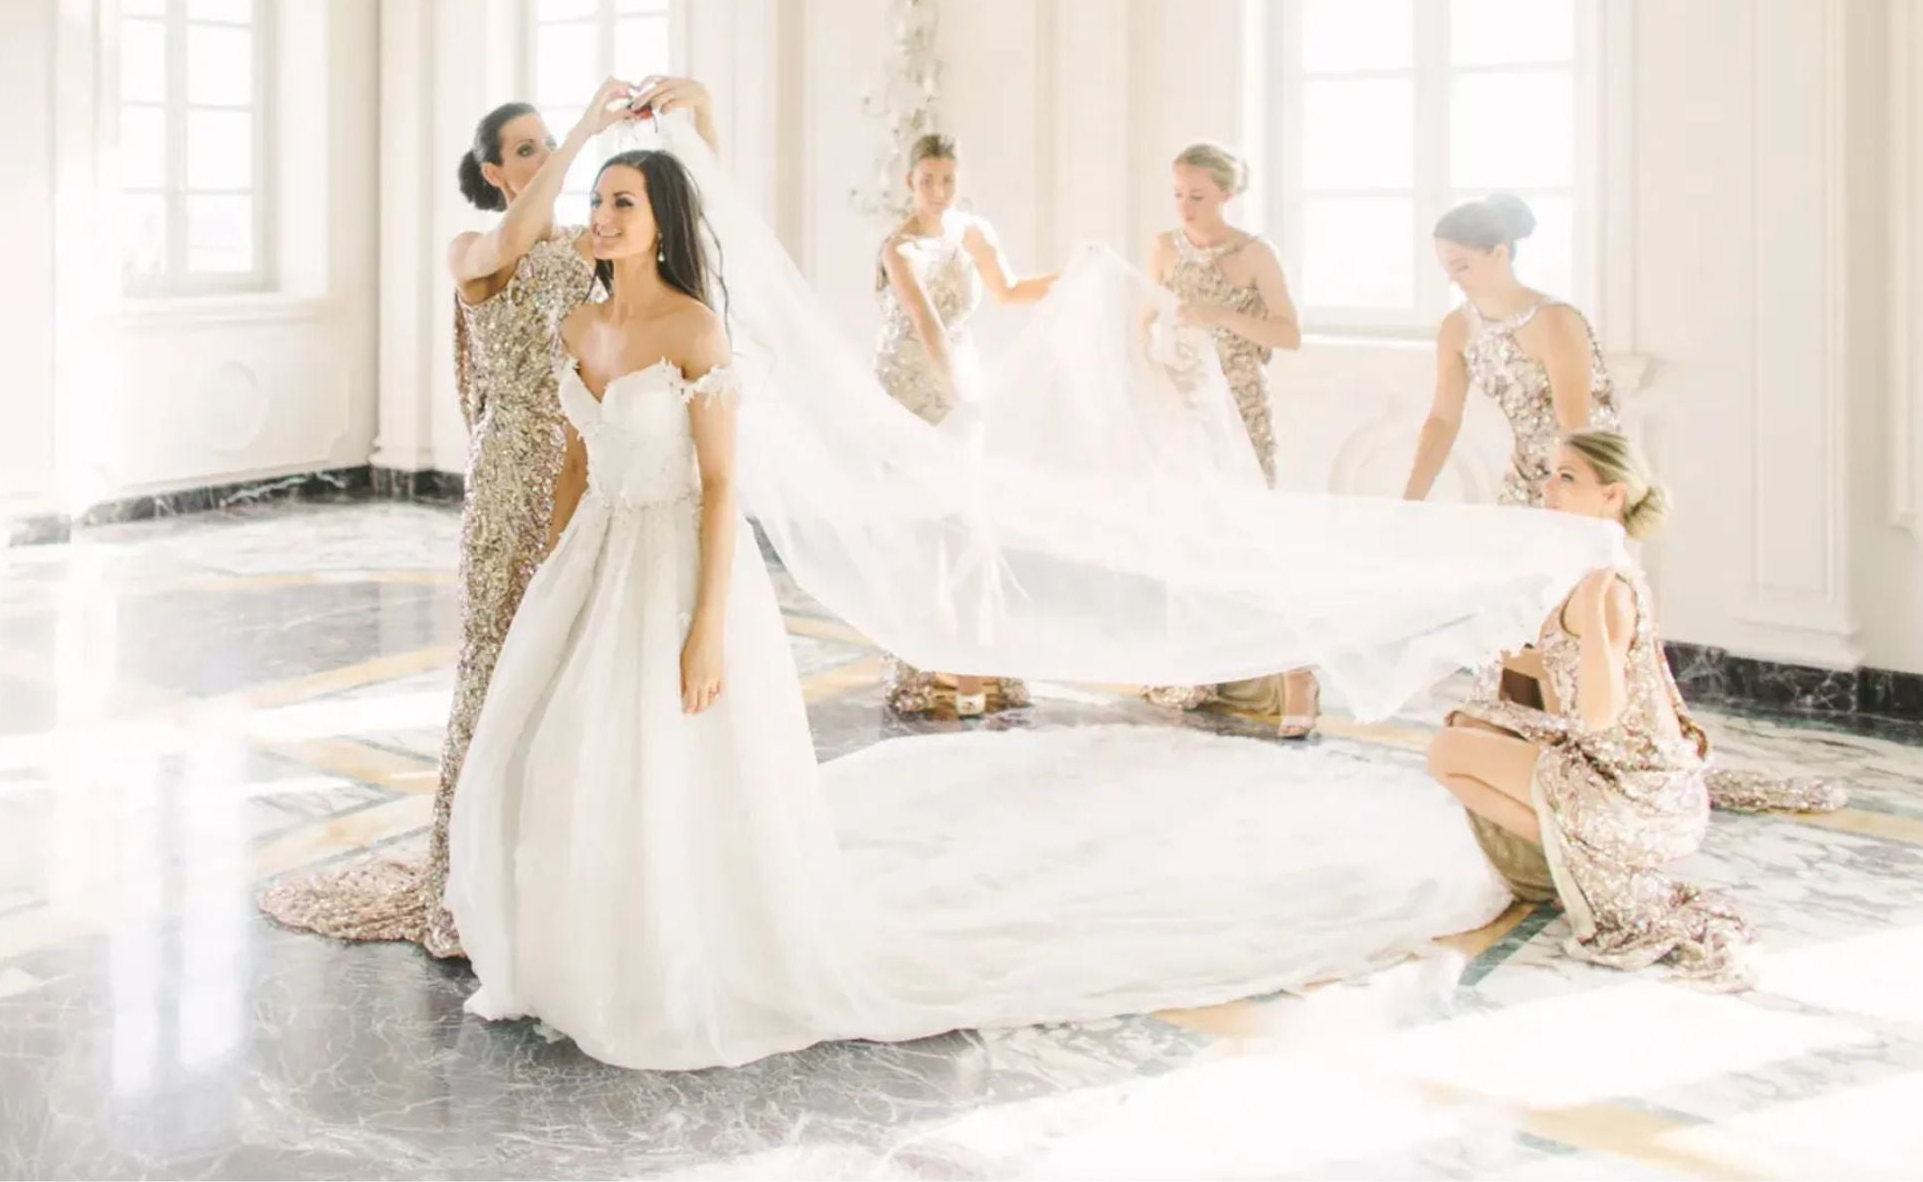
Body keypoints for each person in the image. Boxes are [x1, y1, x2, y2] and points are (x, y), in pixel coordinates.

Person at [443, 120, 1586, 1069]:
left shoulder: (694, 327)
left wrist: (705, 626)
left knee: (663, 756)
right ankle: (573, 948)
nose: (602, 218)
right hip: (591, 562)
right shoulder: (573, 320)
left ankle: (673, 952)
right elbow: (575, 464)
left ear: (663, 225)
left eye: (623, 203)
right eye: (597, 201)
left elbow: (724, 482)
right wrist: (552, 570)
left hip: (679, 572)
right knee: (557, 750)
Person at [259, 75, 716, 958]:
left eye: (549, 143)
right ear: (493, 171)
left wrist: (698, 120)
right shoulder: (476, 247)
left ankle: (554, 874)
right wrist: (587, 125)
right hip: (513, 476)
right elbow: (514, 234)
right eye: (527, 148)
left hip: (592, 466)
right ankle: (465, 877)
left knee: (574, 670)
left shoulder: (591, 249)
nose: (546, 157)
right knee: (498, 670)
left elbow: (686, 233)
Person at [1427, 430, 1838, 986]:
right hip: (1626, 774)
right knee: (1471, 722)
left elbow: (1598, 715)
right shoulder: (1596, 570)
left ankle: (1590, 860)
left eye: (1567, 477)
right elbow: (1562, 670)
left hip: (1631, 798)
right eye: (1551, 473)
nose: (1547, 487)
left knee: (1445, 752)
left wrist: (1594, 613)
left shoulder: (1607, 589)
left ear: (1612, 496)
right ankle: (1575, 852)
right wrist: (1460, 644)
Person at [873, 132, 1058, 716]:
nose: (938, 190)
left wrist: (1075, 275)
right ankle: (922, 667)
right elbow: (926, 325)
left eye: (948, 179)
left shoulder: (974, 231)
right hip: (910, 391)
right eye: (927, 179)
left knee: (967, 523)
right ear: (910, 182)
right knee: (918, 529)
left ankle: (978, 669)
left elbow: (1008, 290)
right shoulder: (898, 249)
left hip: (960, 382)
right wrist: (958, 394)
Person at [1139, 142, 1320, 738]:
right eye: (1177, 194)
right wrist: (1153, 372)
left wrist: (1219, 313)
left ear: (1226, 194)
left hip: (1240, 411)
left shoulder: (1254, 254)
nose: (1185, 207)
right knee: (1188, 538)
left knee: (1252, 536)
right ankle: (1198, 667)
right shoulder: (1164, 248)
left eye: (1197, 195)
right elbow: (1146, 321)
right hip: (1182, 408)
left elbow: (1288, 334)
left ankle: (1297, 672)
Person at [1403, 195, 1618, 507]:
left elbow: (1576, 426)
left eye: (1462, 266)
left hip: (1588, 476)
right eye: (1447, 269)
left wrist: (1575, 501)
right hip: (1524, 477)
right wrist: (1408, 503)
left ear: (1499, 253)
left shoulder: (1555, 321)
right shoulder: (1456, 328)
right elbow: (1443, 419)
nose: (1453, 279)